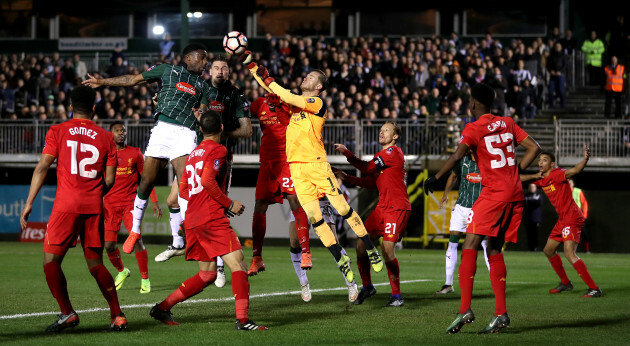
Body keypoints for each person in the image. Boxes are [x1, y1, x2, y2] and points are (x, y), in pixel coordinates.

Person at [242, 50, 384, 286]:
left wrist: (262, 73)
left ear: (319, 87)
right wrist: (253, 68)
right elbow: (276, 93)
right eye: (306, 76)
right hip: (297, 170)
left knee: (342, 208)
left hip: (316, 165)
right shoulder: (293, 107)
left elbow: (284, 94)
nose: (306, 78)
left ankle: (370, 248)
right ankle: (340, 258)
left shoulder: (316, 103)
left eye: (311, 78)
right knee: (316, 221)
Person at [424, 83, 541, 334]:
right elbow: (534, 148)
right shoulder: (508, 122)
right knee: (495, 248)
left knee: (469, 246)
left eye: (470, 100)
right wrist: (515, 171)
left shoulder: (474, 128)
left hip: (494, 194)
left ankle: (464, 309)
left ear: (474, 103)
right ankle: (500, 313)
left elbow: (457, 157)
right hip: (514, 193)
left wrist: (436, 178)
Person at [83, 43, 211, 258]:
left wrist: (202, 113)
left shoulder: (203, 86)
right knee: (146, 181)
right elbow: (132, 80)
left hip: (185, 133)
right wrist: (102, 81)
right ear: (189, 58)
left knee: (185, 183)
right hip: (162, 130)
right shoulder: (167, 70)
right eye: (203, 58)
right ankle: (134, 231)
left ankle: (188, 230)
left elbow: (204, 110)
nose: (206, 63)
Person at [19, 86, 127, 332]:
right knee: (95, 264)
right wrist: (94, 194)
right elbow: (110, 180)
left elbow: (42, 167)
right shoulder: (106, 137)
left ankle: (67, 313)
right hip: (93, 207)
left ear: (70, 106)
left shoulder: (58, 130)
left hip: (65, 206)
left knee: (51, 262)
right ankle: (117, 314)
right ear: (94, 109)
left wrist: (29, 203)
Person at [149, 110, 268, 330]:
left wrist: (190, 216)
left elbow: (183, 191)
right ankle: (242, 320)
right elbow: (207, 181)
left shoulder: (193, 154)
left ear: (201, 130)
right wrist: (228, 204)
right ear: (221, 128)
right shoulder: (219, 150)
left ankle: (162, 308)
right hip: (211, 218)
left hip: (194, 219)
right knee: (239, 265)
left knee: (207, 274)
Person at [155, 54, 253, 290]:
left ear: (229, 73)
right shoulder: (201, 88)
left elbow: (247, 130)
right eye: (216, 67)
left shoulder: (236, 95)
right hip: (194, 153)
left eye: (224, 68)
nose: (219, 71)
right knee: (172, 199)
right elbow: (185, 107)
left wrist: (216, 132)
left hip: (219, 158)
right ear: (210, 71)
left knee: (217, 207)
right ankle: (178, 242)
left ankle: (219, 264)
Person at [333, 121, 411, 307]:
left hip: (397, 208)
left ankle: (397, 295)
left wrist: (347, 154)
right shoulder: (382, 158)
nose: (381, 132)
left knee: (387, 250)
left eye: (386, 130)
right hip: (382, 209)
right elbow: (369, 182)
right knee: (361, 245)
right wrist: (345, 176)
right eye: (381, 129)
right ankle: (368, 286)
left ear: (395, 136)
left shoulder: (393, 153)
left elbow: (367, 168)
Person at [520, 147, 602, 298]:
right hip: (563, 219)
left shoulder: (558, 174)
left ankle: (594, 288)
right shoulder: (541, 179)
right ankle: (565, 283)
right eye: (539, 160)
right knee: (548, 250)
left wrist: (585, 160)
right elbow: (518, 179)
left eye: (545, 160)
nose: (540, 162)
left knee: (569, 253)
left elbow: (574, 171)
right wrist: (533, 175)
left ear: (552, 164)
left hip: (572, 217)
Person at [247, 93, 311, 277]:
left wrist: (280, 108)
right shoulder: (259, 103)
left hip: (286, 160)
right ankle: (256, 258)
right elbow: (243, 112)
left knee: (295, 201)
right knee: (259, 205)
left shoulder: (289, 102)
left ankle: (306, 251)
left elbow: (293, 124)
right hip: (267, 162)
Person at [103, 121, 162, 294]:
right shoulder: (105, 154)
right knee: (109, 246)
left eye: (123, 130)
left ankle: (145, 279)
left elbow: (146, 179)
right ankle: (122, 271)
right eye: (117, 130)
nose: (121, 133)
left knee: (136, 239)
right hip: (110, 206)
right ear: (110, 134)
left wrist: (155, 201)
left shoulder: (135, 153)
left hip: (130, 204)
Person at [433, 150, 490, 296]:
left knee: (485, 244)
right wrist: (446, 194)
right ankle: (448, 284)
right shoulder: (462, 161)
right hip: (460, 207)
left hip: (479, 209)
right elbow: (453, 176)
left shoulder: (487, 160)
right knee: (452, 243)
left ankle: (495, 281)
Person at [568, 177, 590, 252]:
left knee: (583, 233)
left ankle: (587, 249)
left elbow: (584, 203)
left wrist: (584, 215)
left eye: (570, 183)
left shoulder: (578, 191)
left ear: (573, 184)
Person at [547, 42, 568, 108]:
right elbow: (548, 65)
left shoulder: (563, 55)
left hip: (561, 75)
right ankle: (551, 105)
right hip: (553, 76)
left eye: (559, 47)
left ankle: (562, 104)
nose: (557, 48)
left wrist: (560, 71)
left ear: (561, 48)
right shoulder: (551, 56)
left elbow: (565, 65)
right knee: (550, 91)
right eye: (556, 46)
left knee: (561, 90)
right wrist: (551, 71)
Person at [523, 183, 543, 252]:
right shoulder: (526, 196)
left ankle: (536, 247)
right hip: (528, 218)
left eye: (533, 187)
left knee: (535, 234)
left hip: (536, 219)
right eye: (530, 187)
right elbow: (524, 204)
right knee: (529, 234)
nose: (531, 189)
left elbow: (538, 203)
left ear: (536, 188)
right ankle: (530, 248)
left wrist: (529, 202)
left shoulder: (538, 195)